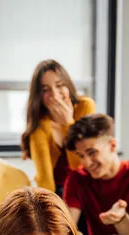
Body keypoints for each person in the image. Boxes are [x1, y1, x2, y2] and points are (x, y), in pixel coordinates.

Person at [64, 113, 129, 235]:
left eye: (91, 153)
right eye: (81, 156)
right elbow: (66, 225)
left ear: (113, 145)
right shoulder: (77, 178)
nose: (86, 163)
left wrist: (121, 219)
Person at [21, 59, 96, 195]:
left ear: (68, 85)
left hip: (89, 183)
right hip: (60, 192)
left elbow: (81, 165)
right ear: (39, 95)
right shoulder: (39, 128)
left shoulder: (85, 106)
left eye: (59, 85)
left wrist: (68, 124)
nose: (55, 94)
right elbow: (46, 181)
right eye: (45, 89)